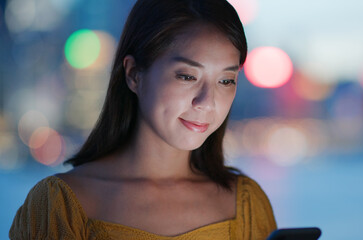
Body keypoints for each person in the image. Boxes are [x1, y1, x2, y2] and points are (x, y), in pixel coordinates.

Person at [9, 0, 277, 239]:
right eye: (187, 76)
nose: (207, 102)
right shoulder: (63, 205)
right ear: (134, 74)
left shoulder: (246, 204)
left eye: (226, 80)